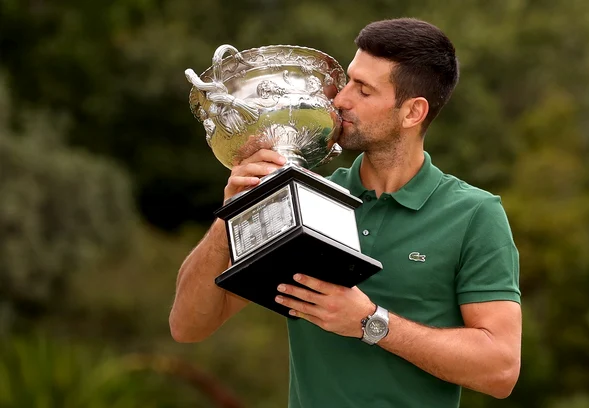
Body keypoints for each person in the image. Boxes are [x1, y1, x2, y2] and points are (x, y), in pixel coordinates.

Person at [169, 17, 522, 408]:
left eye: (364, 90)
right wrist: (231, 213)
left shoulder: (474, 214)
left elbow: (500, 370)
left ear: (412, 112)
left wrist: (370, 322)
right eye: (348, 80)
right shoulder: (302, 196)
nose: (340, 100)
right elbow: (188, 326)